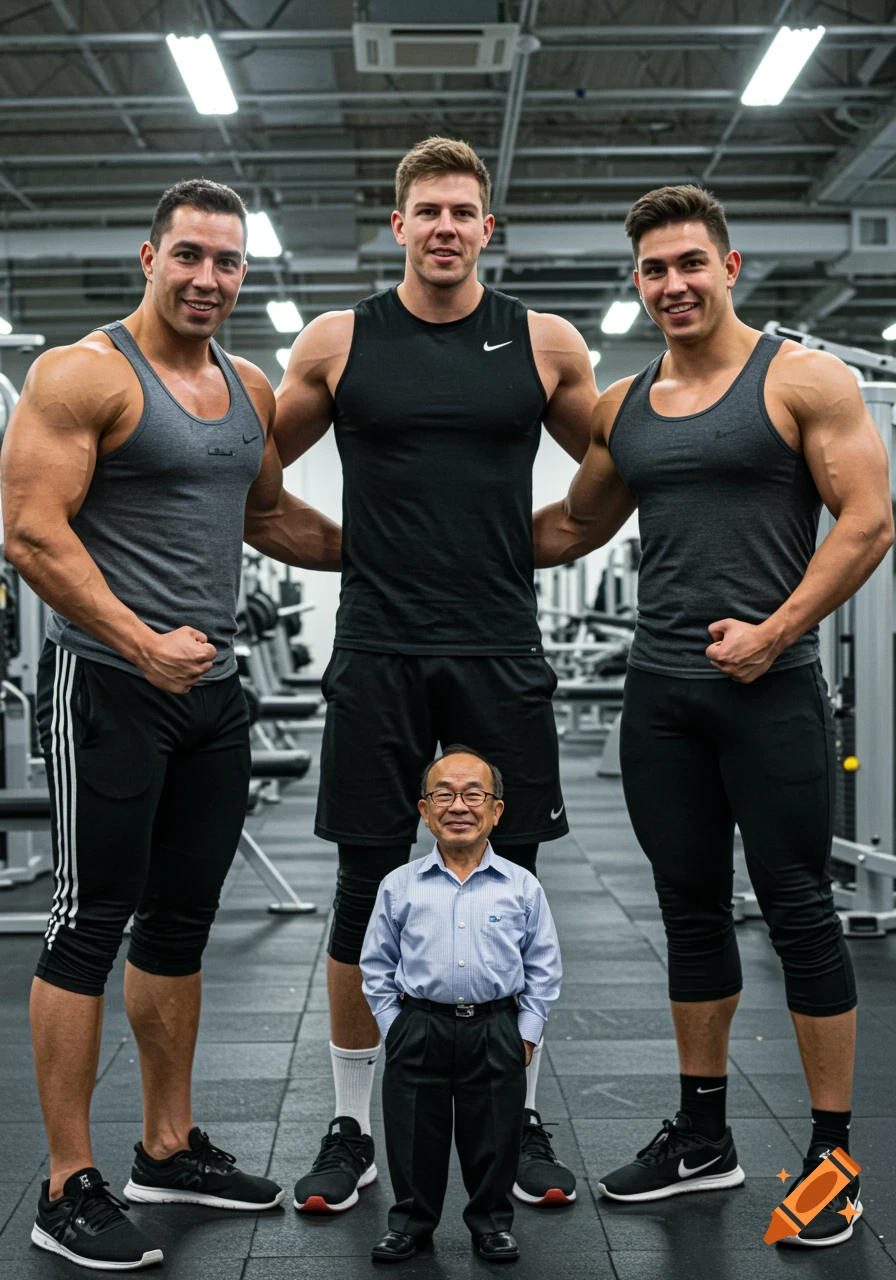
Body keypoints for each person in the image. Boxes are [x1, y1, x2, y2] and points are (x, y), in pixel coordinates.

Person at [533, 184, 893, 1247]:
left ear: (728, 267)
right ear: (635, 281)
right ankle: (702, 1132)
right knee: (686, 909)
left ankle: (831, 1154)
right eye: (652, 269)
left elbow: (867, 522)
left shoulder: (802, 378)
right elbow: (572, 524)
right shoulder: (623, 404)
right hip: (660, 697)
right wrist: (438, 532)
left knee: (797, 906)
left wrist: (775, 632)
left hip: (769, 689)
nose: (672, 284)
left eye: (690, 263)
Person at [1, 178, 340, 1272]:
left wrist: (394, 550)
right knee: (88, 919)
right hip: (107, 681)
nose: (207, 277)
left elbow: (268, 513)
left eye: (227, 261)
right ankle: (65, 1183)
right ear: (149, 257)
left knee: (182, 922)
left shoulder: (245, 385)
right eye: (188, 255)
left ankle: (166, 1142)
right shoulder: (80, 374)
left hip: (214, 694)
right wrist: (141, 640)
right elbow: (31, 532)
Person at [275, 136, 593, 1212]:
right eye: (428, 211)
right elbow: (246, 471)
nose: (446, 227)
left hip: (500, 645)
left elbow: (621, 465)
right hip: (377, 646)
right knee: (365, 888)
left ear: (486, 227)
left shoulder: (541, 342)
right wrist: (342, 551)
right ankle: (350, 1124)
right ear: (398, 224)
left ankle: (520, 1111)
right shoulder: (337, 341)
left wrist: (538, 539)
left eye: (464, 210)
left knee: (517, 883)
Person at [361, 745, 561, 1263]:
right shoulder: (399, 885)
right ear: (424, 810)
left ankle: (491, 1224)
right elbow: (375, 964)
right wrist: (394, 1026)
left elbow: (543, 965)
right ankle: (409, 1224)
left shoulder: (521, 886)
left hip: (496, 1027)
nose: (458, 806)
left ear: (496, 810)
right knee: (411, 1135)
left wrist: (528, 1030)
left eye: (474, 794)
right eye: (443, 795)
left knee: (494, 1135)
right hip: (420, 1024)